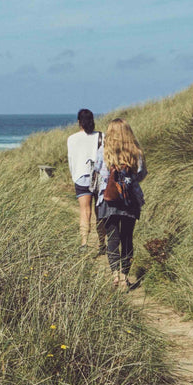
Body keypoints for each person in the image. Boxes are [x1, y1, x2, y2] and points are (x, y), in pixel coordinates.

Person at [94, 118, 147, 289]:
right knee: (127, 238)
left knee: (113, 238)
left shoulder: (103, 151)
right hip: (129, 199)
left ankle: (115, 274)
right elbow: (141, 174)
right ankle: (125, 275)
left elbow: (99, 172)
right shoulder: (136, 152)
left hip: (108, 199)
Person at [66, 109, 104, 251]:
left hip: (81, 177)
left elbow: (71, 160)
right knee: (100, 212)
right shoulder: (102, 136)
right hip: (99, 177)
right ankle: (102, 243)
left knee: (84, 211)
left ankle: (84, 243)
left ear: (78, 122)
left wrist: (74, 175)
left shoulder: (72, 138)